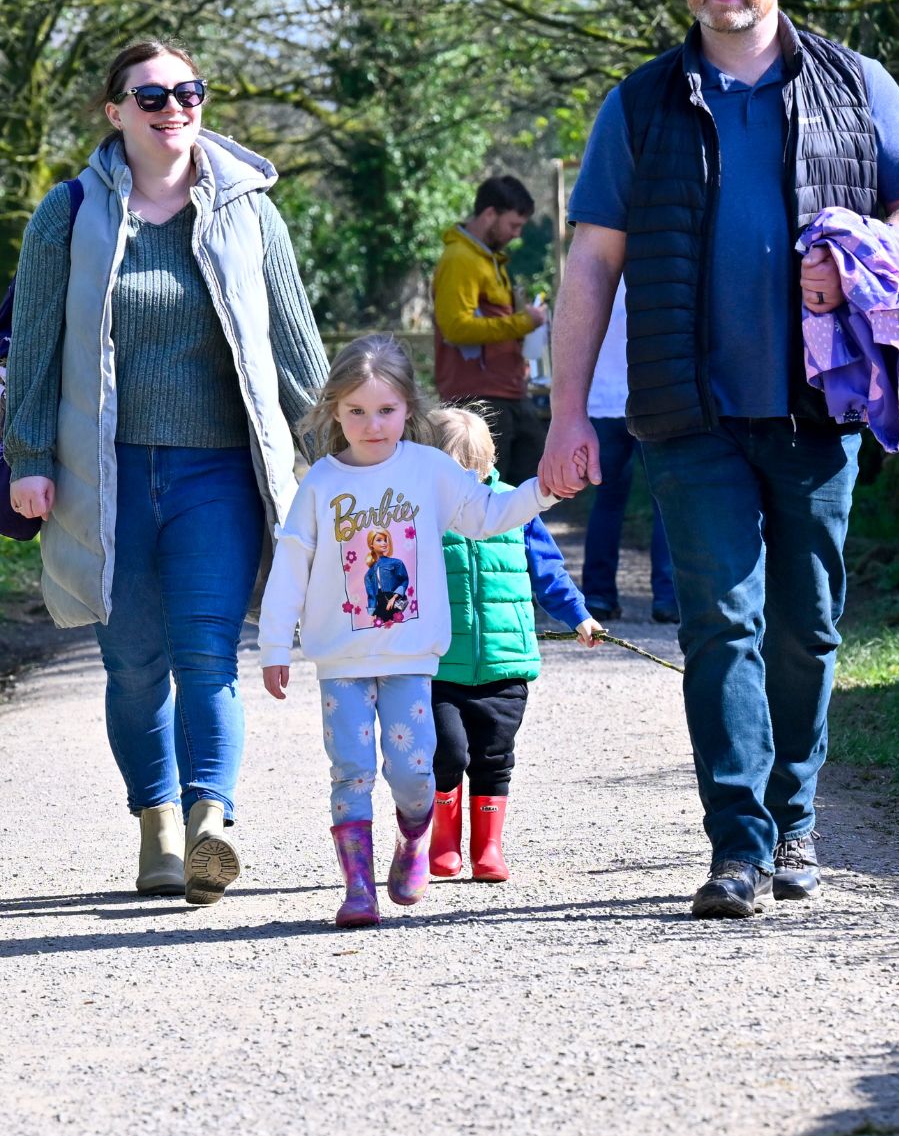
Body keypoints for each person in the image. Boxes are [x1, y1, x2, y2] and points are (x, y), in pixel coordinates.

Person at [538, 0, 899, 920]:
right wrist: (568, 415)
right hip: (689, 414)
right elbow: (591, 259)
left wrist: (867, 257)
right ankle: (737, 844)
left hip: (822, 408)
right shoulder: (640, 104)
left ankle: (795, 814)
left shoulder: (859, 86)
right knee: (721, 624)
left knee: (807, 629)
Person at [3, 40, 325, 906]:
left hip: (217, 475)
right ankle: (158, 829)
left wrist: (348, 461)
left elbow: (294, 348)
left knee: (208, 652)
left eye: (189, 91)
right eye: (151, 96)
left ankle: (211, 816)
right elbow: (33, 349)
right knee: (134, 663)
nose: (173, 107)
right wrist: (28, 459)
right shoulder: (67, 213)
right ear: (115, 112)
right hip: (99, 476)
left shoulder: (250, 212)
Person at [256, 336, 555, 928]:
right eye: (357, 411)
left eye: (386, 411)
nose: (372, 425)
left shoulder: (429, 470)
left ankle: (414, 836)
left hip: (411, 658)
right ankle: (358, 889)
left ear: (409, 410)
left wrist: (545, 488)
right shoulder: (321, 483)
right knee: (351, 769)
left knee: (414, 773)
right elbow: (291, 563)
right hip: (341, 659)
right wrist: (273, 643)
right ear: (335, 412)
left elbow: (487, 515)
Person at [424, 407, 602, 883]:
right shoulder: (419, 514)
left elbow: (549, 574)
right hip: (439, 668)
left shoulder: (513, 508)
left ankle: (488, 847)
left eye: (473, 469)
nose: (465, 483)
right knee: (448, 753)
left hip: (506, 664)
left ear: (488, 463)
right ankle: (443, 840)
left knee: (494, 757)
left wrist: (579, 616)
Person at [432, 174, 547, 473]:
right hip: (478, 398)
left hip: (507, 392)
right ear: (489, 214)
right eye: (513, 225)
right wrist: (523, 322)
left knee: (529, 486)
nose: (517, 234)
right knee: (486, 498)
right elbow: (455, 328)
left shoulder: (489, 260)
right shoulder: (459, 258)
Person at [581, 280, 678, 624]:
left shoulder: (596, 269)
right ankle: (668, 597)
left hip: (603, 401)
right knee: (667, 503)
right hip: (652, 400)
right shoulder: (656, 266)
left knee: (606, 503)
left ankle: (598, 594)